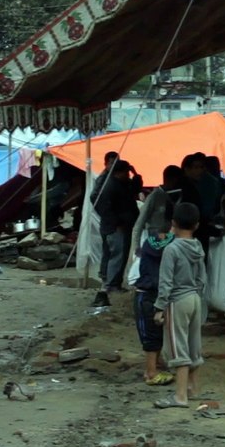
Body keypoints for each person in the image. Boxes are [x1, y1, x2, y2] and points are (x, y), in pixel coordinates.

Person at [153, 202, 207, 408]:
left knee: (178, 348)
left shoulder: (171, 249)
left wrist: (159, 307)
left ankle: (180, 396)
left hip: (178, 301)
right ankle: (193, 388)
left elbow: (165, 282)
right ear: (197, 225)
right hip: (195, 298)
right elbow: (203, 277)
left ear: (173, 223)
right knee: (194, 344)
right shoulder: (198, 247)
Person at [92, 160, 139, 307]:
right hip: (115, 227)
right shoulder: (110, 186)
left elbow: (135, 189)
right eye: (126, 172)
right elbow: (103, 206)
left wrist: (136, 174)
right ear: (119, 172)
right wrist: (116, 223)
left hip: (122, 224)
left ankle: (114, 283)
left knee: (120, 255)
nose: (128, 175)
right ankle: (111, 284)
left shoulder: (122, 184)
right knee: (116, 255)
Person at [133, 226, 174, 386]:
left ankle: (154, 368)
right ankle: (150, 372)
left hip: (148, 292)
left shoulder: (149, 245)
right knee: (152, 335)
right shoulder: (171, 246)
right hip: (148, 293)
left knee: (153, 334)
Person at [129, 165, 185, 268]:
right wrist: (136, 248)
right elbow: (139, 223)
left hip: (169, 238)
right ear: (172, 179)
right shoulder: (154, 196)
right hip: (154, 238)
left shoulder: (175, 196)